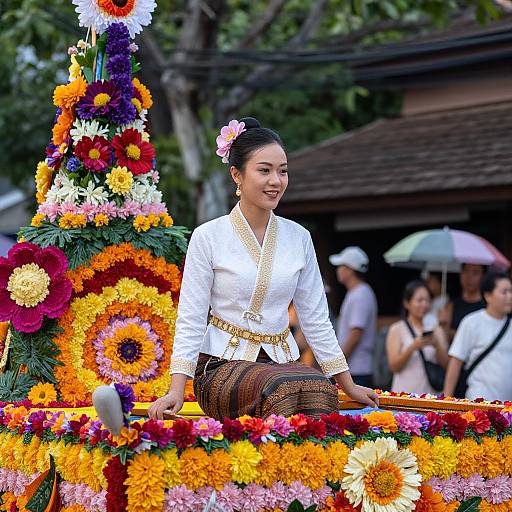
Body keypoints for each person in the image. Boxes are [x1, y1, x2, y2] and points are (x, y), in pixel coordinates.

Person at [149, 117, 378, 421]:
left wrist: (346, 384)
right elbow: (190, 318)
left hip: (281, 364)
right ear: (237, 175)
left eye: (282, 171)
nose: (276, 181)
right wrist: (176, 390)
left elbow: (315, 318)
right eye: (264, 170)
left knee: (320, 392)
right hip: (221, 366)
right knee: (281, 390)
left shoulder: (299, 237)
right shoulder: (208, 236)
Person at [443, 272, 512, 401]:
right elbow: (456, 362)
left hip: (508, 409)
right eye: (504, 292)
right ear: (488, 296)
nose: (510, 296)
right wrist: (446, 401)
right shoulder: (471, 322)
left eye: (511, 291)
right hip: (479, 403)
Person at [386, 280, 449, 394]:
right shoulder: (397, 329)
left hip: (431, 395)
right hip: (404, 394)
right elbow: (393, 366)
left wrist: (437, 345)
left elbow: (447, 365)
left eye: (427, 300)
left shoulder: (436, 330)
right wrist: (413, 347)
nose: (424, 304)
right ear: (407, 303)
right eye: (419, 300)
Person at [329, 247, 377, 388]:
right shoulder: (358, 292)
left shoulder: (360, 294)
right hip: (355, 369)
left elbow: (356, 333)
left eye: (341, 266)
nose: (338, 270)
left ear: (350, 269)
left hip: (356, 371)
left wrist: (338, 365)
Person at [439, 263, 485, 341]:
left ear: (483, 277)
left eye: (475, 273)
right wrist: (443, 324)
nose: (469, 277)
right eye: (466, 271)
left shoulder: (487, 306)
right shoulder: (451, 305)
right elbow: (445, 337)